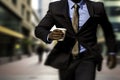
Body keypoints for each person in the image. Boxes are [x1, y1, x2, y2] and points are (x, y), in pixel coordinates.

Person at [35, 0, 118, 80]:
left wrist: (112, 52)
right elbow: (40, 29)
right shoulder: (56, 7)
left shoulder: (97, 7)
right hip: (65, 56)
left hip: (88, 56)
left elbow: (108, 31)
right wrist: (50, 35)